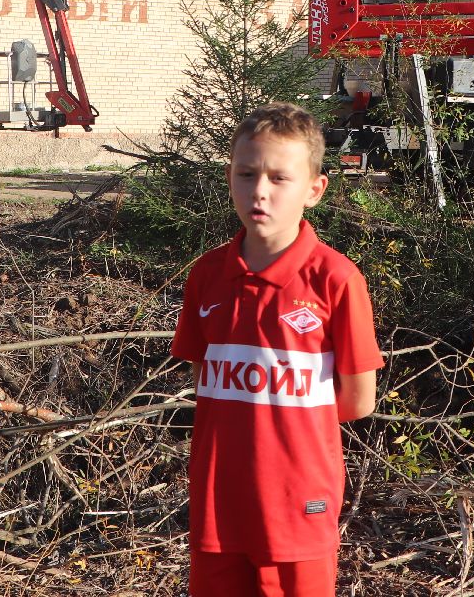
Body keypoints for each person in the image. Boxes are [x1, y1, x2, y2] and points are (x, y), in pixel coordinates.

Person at [171, 101, 384, 597]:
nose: (260, 191)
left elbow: (358, 401)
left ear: (314, 189)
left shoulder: (336, 280)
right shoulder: (207, 275)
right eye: (246, 174)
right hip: (218, 504)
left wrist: (284, 429)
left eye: (279, 178)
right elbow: (207, 382)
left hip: (297, 506)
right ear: (230, 179)